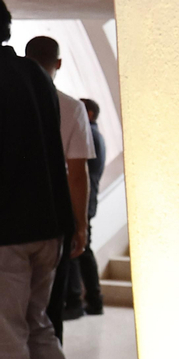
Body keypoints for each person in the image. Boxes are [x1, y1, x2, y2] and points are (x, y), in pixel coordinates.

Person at [0, 1, 110, 359]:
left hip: (5, 234)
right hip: (46, 229)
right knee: (37, 331)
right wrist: (73, 226)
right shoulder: (34, 76)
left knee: (7, 341)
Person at [24, 36, 93, 342]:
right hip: (55, 219)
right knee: (50, 312)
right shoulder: (72, 107)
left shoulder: (11, 103)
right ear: (59, 63)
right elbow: (77, 174)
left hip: (15, 220)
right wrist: (81, 226)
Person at [64, 97, 106, 319]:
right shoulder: (97, 135)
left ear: (88, 114)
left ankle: (77, 301)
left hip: (81, 201)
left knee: (78, 249)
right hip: (88, 201)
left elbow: (79, 173)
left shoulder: (88, 134)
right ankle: (93, 300)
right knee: (84, 250)